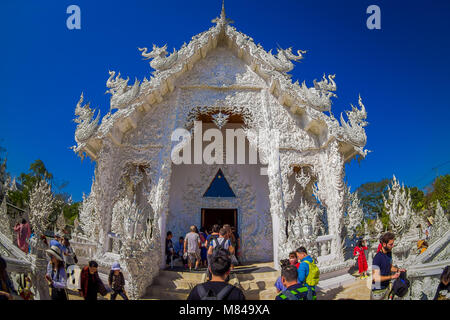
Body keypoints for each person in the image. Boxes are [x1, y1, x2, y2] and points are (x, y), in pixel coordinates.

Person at [371, 232, 406, 300]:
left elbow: (389, 266)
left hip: (387, 287)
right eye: (391, 244)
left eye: (393, 243)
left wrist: (398, 270)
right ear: (384, 244)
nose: (393, 246)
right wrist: (392, 276)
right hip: (378, 291)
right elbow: (375, 278)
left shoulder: (389, 253)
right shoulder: (377, 258)